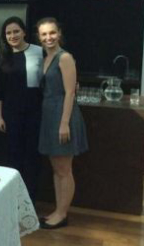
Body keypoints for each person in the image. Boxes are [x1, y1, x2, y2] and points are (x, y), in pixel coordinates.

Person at [37, 17, 88, 229]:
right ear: (39, 38)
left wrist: (64, 123)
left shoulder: (64, 57)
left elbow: (70, 93)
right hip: (50, 114)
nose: (48, 37)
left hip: (62, 114)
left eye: (52, 33)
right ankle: (58, 210)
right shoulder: (46, 57)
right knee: (57, 167)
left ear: (59, 33)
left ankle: (62, 214)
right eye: (44, 34)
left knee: (64, 169)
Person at [0, 16, 43, 201]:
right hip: (10, 114)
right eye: (8, 33)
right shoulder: (1, 57)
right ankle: (13, 199)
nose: (12, 35)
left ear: (24, 32)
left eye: (16, 31)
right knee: (12, 158)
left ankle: (30, 201)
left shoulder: (39, 51)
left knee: (32, 157)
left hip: (34, 113)